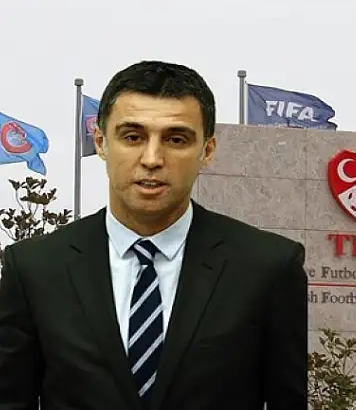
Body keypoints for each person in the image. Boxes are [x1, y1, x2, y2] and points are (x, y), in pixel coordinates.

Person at [0, 60, 308, 410]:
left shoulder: (268, 268)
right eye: (132, 137)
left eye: (176, 139)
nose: (152, 158)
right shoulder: (34, 269)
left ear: (207, 151)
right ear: (100, 143)